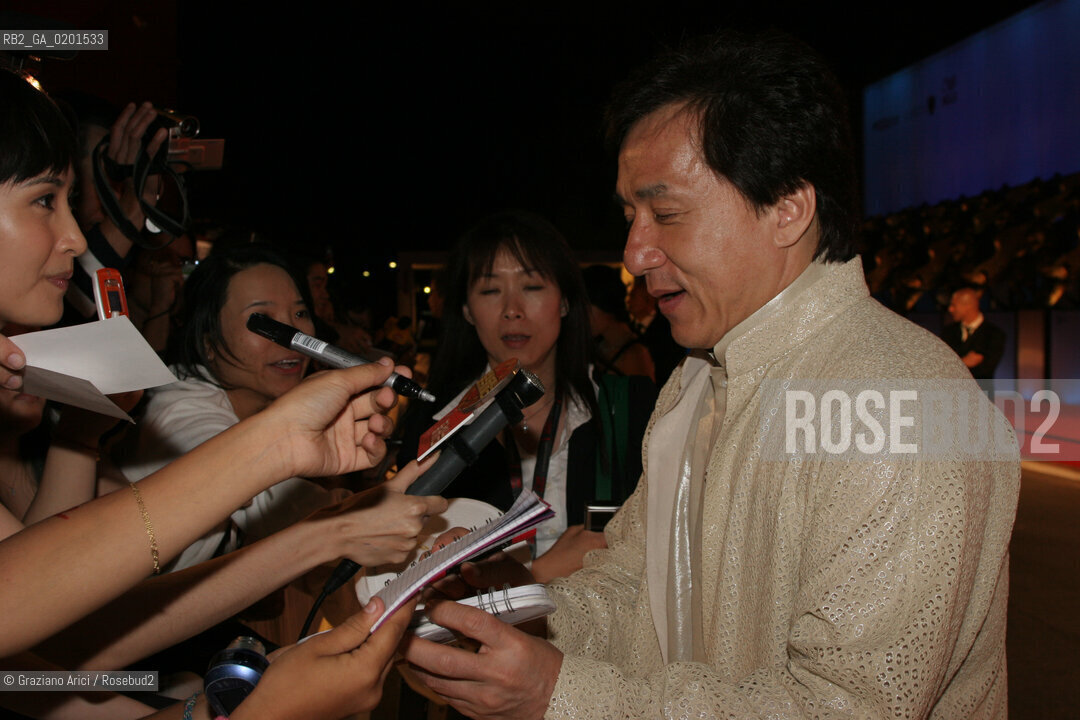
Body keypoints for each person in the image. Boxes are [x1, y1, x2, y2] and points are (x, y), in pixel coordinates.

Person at [401, 31, 1020, 719]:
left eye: (666, 213)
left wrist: (561, 693)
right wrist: (496, 617)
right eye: (631, 215)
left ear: (788, 207)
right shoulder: (697, 378)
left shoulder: (905, 404)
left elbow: (848, 706)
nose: (636, 251)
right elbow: (634, 586)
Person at [0, 68, 428, 716]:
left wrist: (328, 532)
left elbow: (59, 631)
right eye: (43, 199)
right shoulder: (180, 406)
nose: (75, 237)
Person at [398, 210, 656, 583]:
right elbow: (412, 578)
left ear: (565, 301)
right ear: (467, 311)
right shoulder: (433, 428)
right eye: (490, 290)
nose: (512, 311)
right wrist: (537, 573)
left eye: (532, 287)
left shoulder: (632, 410)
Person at [112, 242, 348, 571]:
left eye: (299, 313)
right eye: (263, 319)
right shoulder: (179, 408)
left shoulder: (255, 407)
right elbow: (260, 503)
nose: (291, 334)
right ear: (208, 343)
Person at [581, 264, 655, 381]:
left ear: (604, 304)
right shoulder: (597, 346)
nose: (582, 317)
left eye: (586, 308)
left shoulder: (635, 354)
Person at [942, 286, 1006, 379]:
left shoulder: (995, 334)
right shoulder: (948, 333)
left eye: (954, 305)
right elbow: (942, 366)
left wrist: (954, 364)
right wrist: (964, 362)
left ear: (968, 306)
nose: (950, 309)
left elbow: (985, 369)